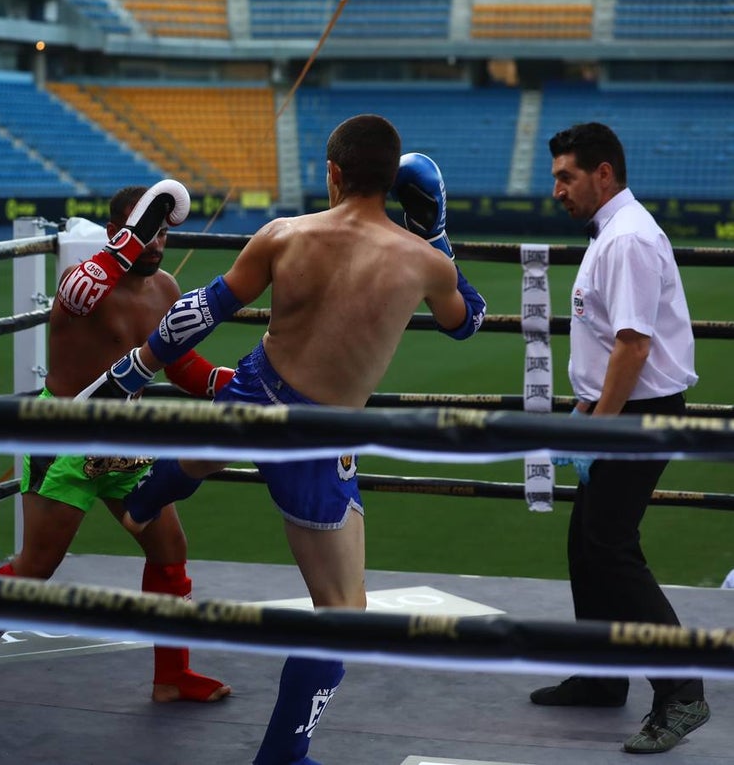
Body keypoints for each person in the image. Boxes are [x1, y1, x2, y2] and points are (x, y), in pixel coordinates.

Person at [83, 114, 487, 765]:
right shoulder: (423, 261)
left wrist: (129, 374)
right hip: (315, 436)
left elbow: (201, 310)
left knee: (206, 446)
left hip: (254, 386)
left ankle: (140, 499)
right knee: (342, 612)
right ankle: (282, 754)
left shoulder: (283, 234)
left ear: (331, 172)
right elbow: (467, 323)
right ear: (389, 183)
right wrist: (438, 233)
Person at [0, 181, 233, 708]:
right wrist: (127, 244)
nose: (156, 243)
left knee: (170, 551)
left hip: (127, 440)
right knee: (38, 567)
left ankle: (171, 675)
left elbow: (174, 359)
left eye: (162, 233)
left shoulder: (162, 289)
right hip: (65, 436)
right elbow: (78, 294)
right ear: (117, 231)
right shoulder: (84, 282)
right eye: (146, 231)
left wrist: (221, 385)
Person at [529, 121, 709, 754]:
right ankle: (603, 676)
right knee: (589, 544)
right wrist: (586, 414)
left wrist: (598, 428)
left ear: (603, 173)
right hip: (620, 409)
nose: (557, 190)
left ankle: (682, 692)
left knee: (609, 549)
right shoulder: (615, 233)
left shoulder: (627, 240)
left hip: (640, 412)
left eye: (566, 177)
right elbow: (611, 341)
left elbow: (634, 346)